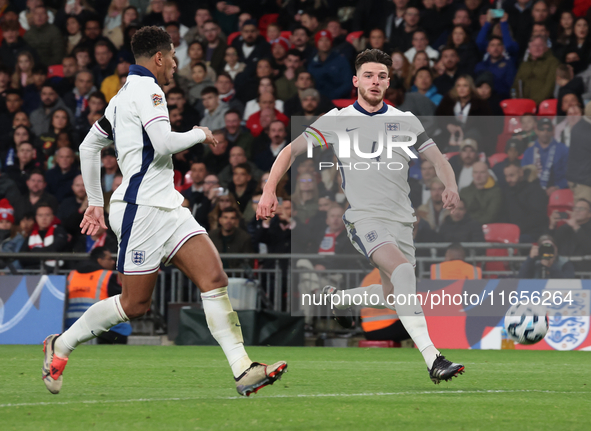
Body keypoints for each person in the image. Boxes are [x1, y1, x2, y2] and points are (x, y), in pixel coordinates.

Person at [42, 26, 286, 397]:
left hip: (167, 206)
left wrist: (95, 200)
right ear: (159, 57)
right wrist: (200, 133)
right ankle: (61, 345)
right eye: (172, 56)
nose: (175, 63)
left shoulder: (122, 95)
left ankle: (243, 369)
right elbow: (161, 144)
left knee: (215, 278)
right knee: (134, 304)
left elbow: (89, 146)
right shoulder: (148, 90)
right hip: (140, 211)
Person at [258, 49, 464, 383]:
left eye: (382, 76)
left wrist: (451, 185)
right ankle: (433, 358)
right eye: (368, 75)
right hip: (364, 218)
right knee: (402, 272)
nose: (375, 81)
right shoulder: (337, 120)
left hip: (402, 220)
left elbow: (439, 160)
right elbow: (290, 151)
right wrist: (270, 190)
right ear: (356, 80)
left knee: (394, 294)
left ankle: (338, 300)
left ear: (388, 81)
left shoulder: (406, 120)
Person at [65, 246, 132, 344]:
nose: (113, 262)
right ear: (99, 260)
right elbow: (123, 299)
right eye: (110, 259)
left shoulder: (72, 275)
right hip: (103, 329)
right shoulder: (106, 276)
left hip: (73, 326)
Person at [502, 161, 549, 242]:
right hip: (514, 232)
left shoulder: (535, 190)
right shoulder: (507, 192)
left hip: (533, 234)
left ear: (520, 172)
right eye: (506, 176)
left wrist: (516, 229)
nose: (508, 180)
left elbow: (538, 217)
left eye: (511, 175)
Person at [521, 118, 569, 195]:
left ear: (552, 131)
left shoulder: (563, 150)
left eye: (548, 129)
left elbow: (570, 175)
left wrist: (558, 187)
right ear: (536, 131)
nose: (545, 132)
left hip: (557, 193)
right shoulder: (528, 152)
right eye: (541, 129)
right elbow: (524, 176)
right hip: (533, 194)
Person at [512, 35, 560, 104]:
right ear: (529, 49)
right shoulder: (524, 64)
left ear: (546, 47)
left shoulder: (553, 63)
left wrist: (534, 103)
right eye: (534, 45)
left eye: (540, 45)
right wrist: (518, 102)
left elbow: (550, 87)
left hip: (543, 106)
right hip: (523, 106)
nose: (537, 48)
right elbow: (516, 85)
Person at [550, 198, 591, 271]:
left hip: (583, 271)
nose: (577, 210)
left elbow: (588, 248)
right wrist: (552, 226)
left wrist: (576, 227)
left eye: (581, 208)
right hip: (562, 269)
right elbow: (552, 245)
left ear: (589, 214)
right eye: (575, 208)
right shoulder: (565, 228)